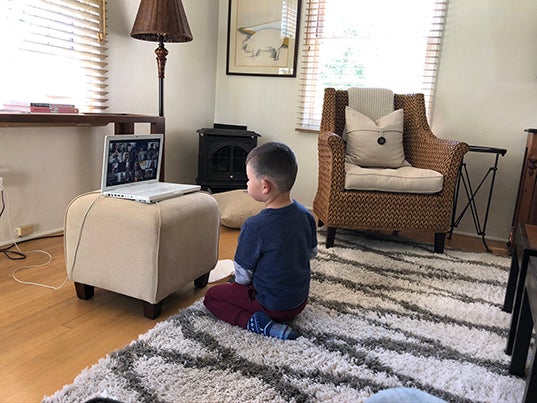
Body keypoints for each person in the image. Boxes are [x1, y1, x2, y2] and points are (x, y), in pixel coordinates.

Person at [203, 142, 318, 340]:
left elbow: (243, 275)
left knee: (212, 297)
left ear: (264, 186)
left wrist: (238, 286)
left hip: (271, 305)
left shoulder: (255, 226)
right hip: (299, 302)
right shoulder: (305, 214)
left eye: (248, 179)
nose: (246, 184)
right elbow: (311, 253)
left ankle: (258, 324)